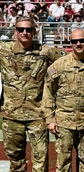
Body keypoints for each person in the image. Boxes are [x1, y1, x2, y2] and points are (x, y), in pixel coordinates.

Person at [0, 17, 67, 172]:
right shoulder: (4, 50)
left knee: (40, 160)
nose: (25, 33)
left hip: (38, 116)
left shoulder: (45, 51)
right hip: (12, 116)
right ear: (15, 32)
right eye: (21, 30)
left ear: (34, 31)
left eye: (28, 30)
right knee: (16, 161)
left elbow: (71, 58)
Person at [42, 29, 84, 172]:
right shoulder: (59, 65)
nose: (78, 43)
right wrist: (50, 119)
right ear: (70, 43)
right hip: (64, 121)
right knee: (63, 160)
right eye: (75, 41)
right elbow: (48, 92)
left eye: (82, 40)